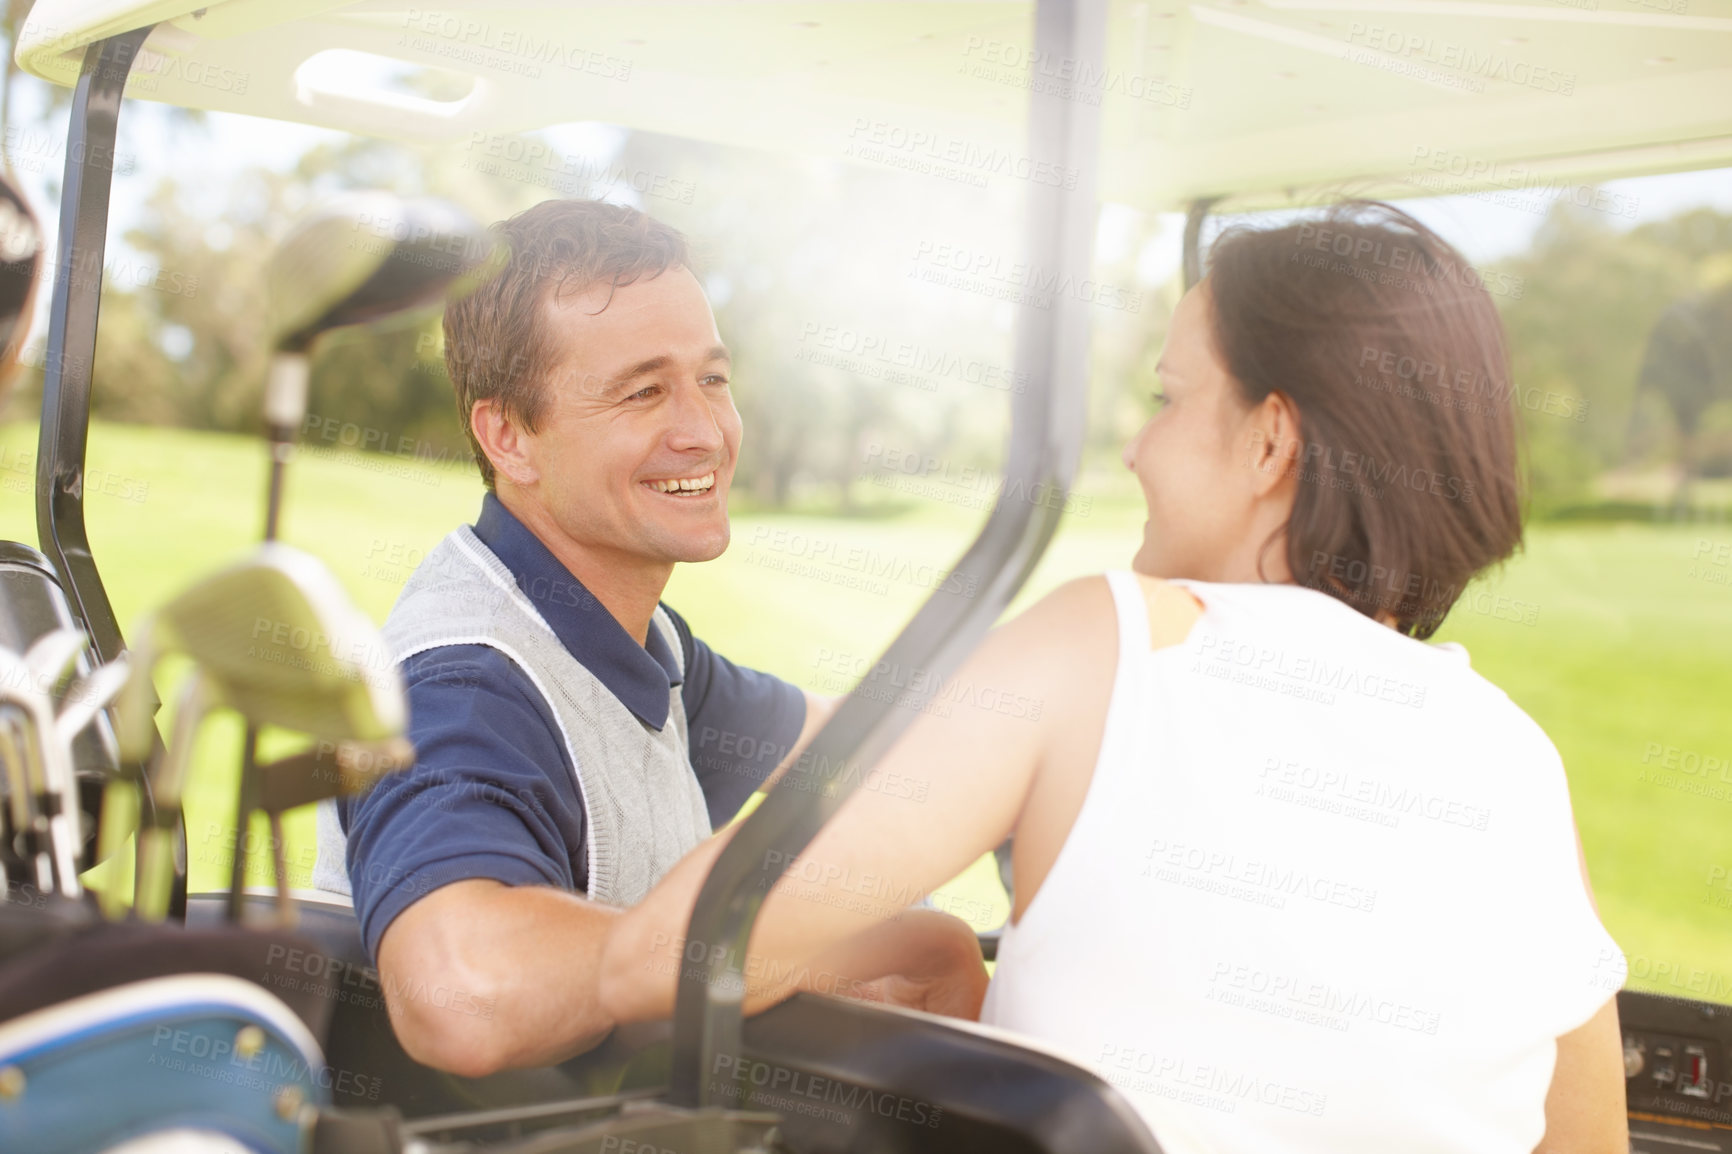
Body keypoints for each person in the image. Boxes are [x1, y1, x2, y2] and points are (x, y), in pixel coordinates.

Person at [597, 202, 1629, 1153]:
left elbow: (669, 959)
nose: (1136, 448)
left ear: (1270, 438)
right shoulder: (1518, 760)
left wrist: (925, 956)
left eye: (1168, 398)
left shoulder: (1113, 641)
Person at [311, 199, 983, 1077]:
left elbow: (850, 749)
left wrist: (1041, 762)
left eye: (711, 379)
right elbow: (461, 990)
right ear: (508, 435)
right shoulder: (465, 684)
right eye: (644, 391)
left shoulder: (637, 641)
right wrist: (789, 956)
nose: (703, 430)